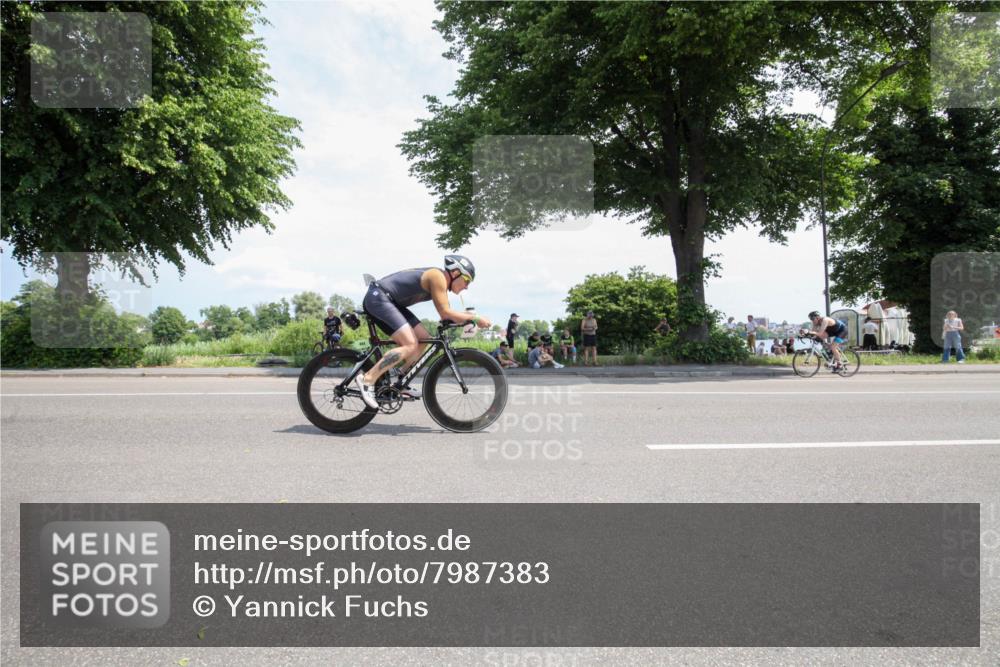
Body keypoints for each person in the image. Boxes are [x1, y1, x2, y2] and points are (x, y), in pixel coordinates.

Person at [354, 255, 491, 408]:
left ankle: (401, 381)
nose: (466, 286)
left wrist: (467, 318)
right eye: (467, 280)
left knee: (423, 338)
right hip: (379, 297)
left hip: (391, 302)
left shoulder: (442, 283)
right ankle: (367, 379)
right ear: (455, 273)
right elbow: (445, 313)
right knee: (410, 344)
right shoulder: (438, 277)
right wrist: (475, 318)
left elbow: (447, 314)